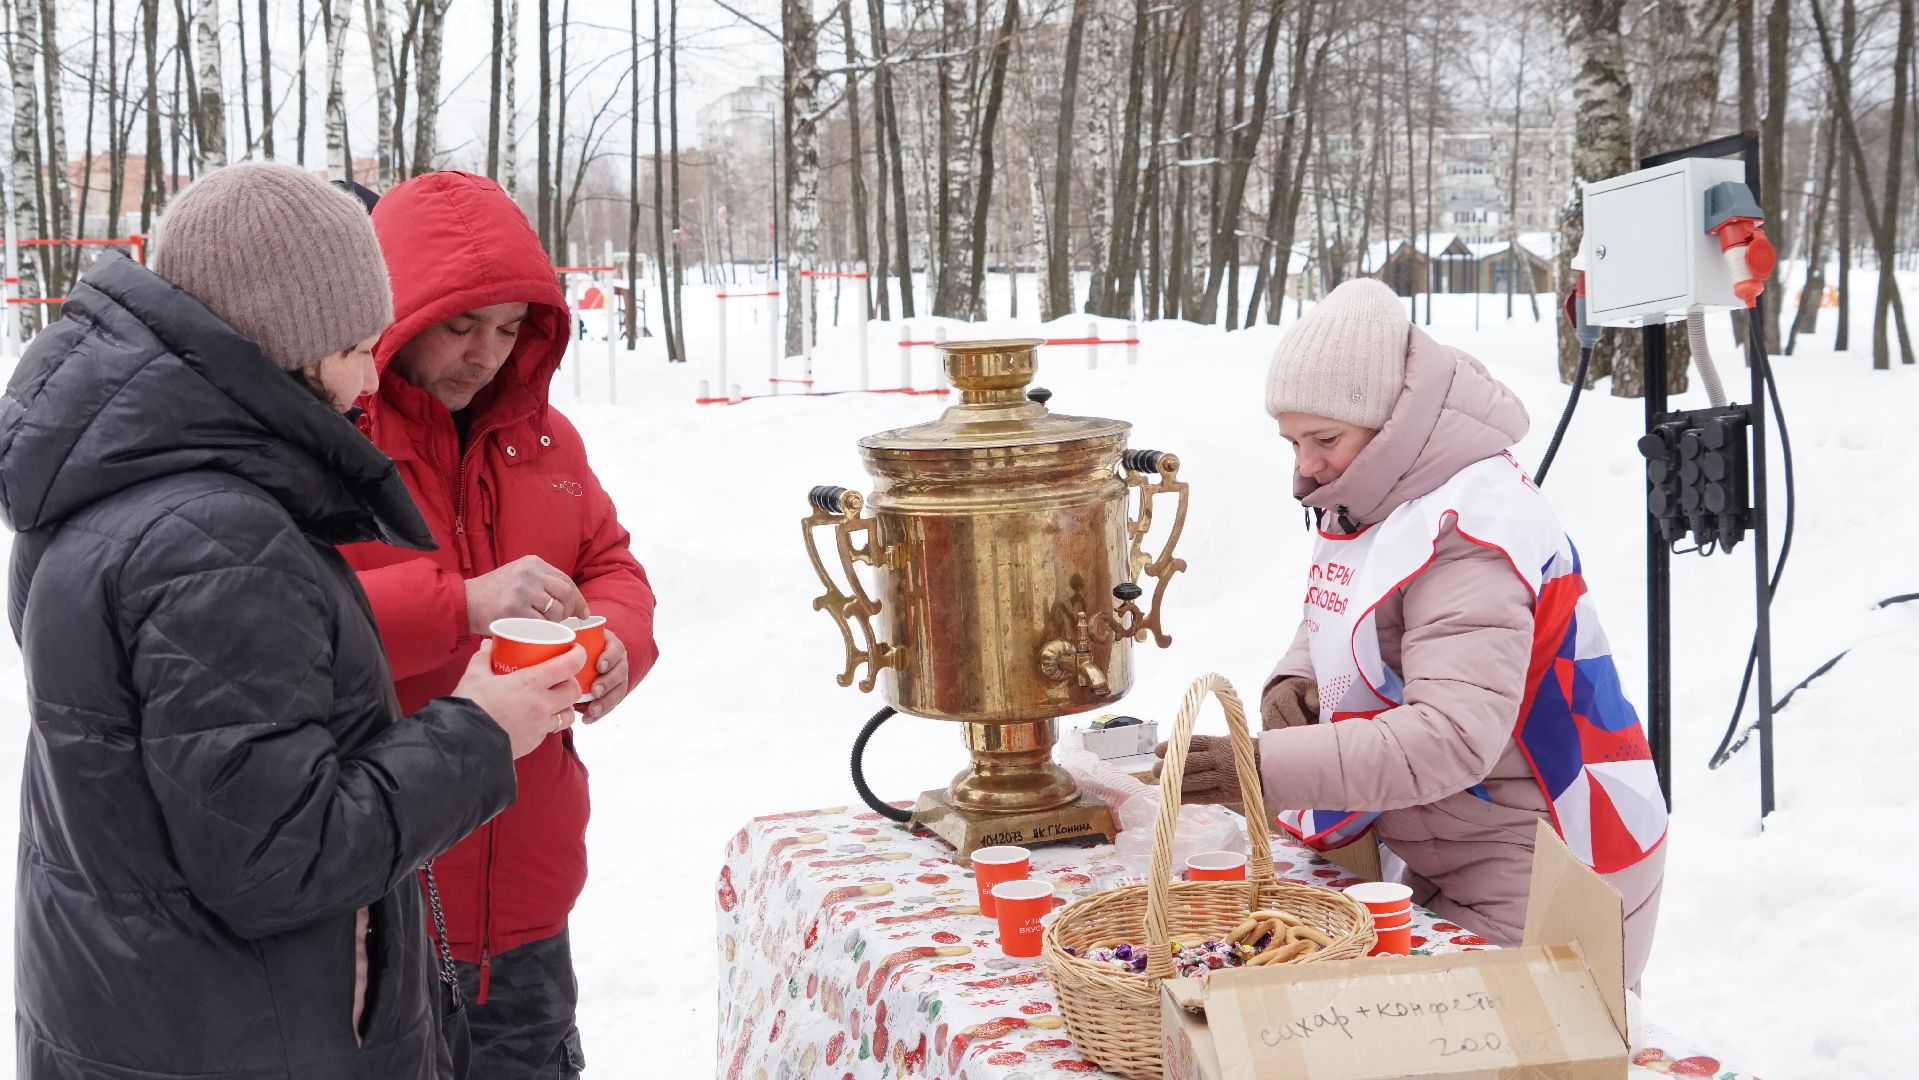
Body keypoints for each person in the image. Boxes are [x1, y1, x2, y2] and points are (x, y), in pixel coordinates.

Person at [0, 162, 589, 1078]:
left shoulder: (116, 478)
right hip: (245, 1034)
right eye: (355, 345)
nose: (367, 379)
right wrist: (478, 729)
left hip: (151, 1011)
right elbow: (285, 857)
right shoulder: (214, 536)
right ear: (280, 339)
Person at [1161, 279, 1668, 986]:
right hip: (1443, 838)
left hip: (1543, 858)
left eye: (1323, 439)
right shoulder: (1377, 491)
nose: (1303, 467)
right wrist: (1296, 680)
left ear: (1388, 424)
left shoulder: (1470, 529)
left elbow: (1451, 737)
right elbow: (1346, 606)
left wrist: (1259, 764)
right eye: (1292, 441)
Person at [342, 170, 660, 1079]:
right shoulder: (337, 445)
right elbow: (301, 617)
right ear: (398, 310)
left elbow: (612, 564)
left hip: (528, 883)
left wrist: (614, 650)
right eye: (460, 325)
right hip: (388, 886)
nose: (486, 353)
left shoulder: (545, 437)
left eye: (513, 328)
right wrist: (465, 605)